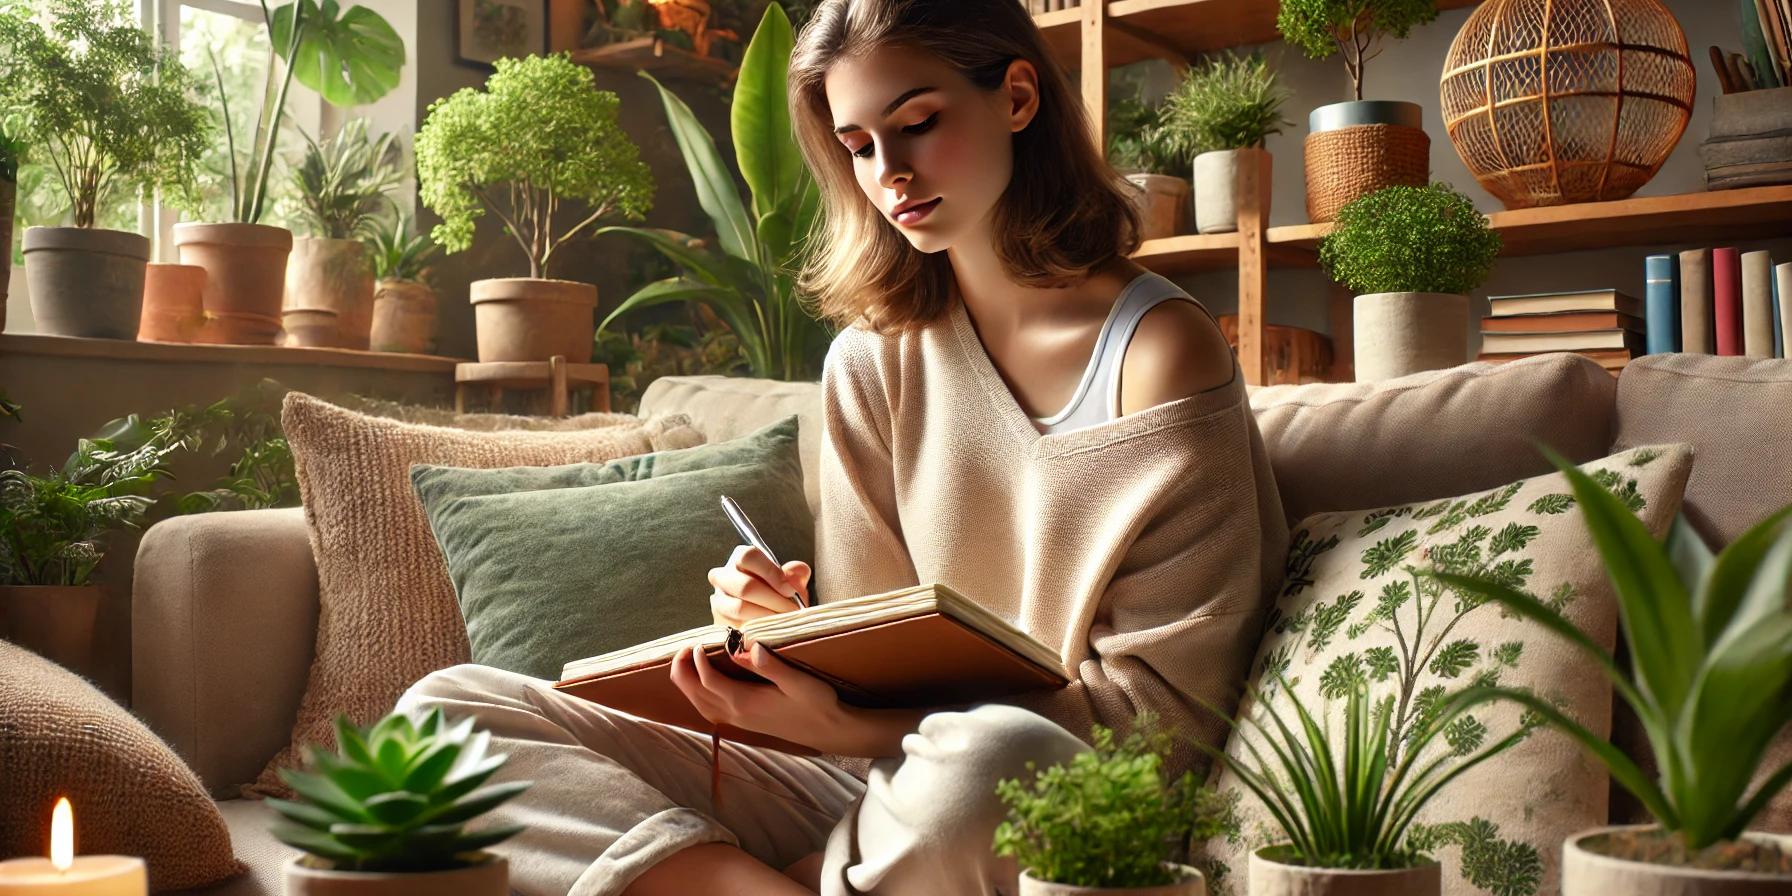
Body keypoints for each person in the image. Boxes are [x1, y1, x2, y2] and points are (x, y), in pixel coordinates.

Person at [393, 1, 1290, 893]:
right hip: (862, 782)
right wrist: (784, 638)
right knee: (445, 715)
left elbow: (1160, 730)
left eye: (918, 124)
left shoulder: (1160, 352)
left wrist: (856, 730)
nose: (889, 172)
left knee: (991, 757)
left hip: (1039, 796)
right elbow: (872, 642)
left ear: (1018, 97)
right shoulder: (873, 357)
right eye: (859, 146)